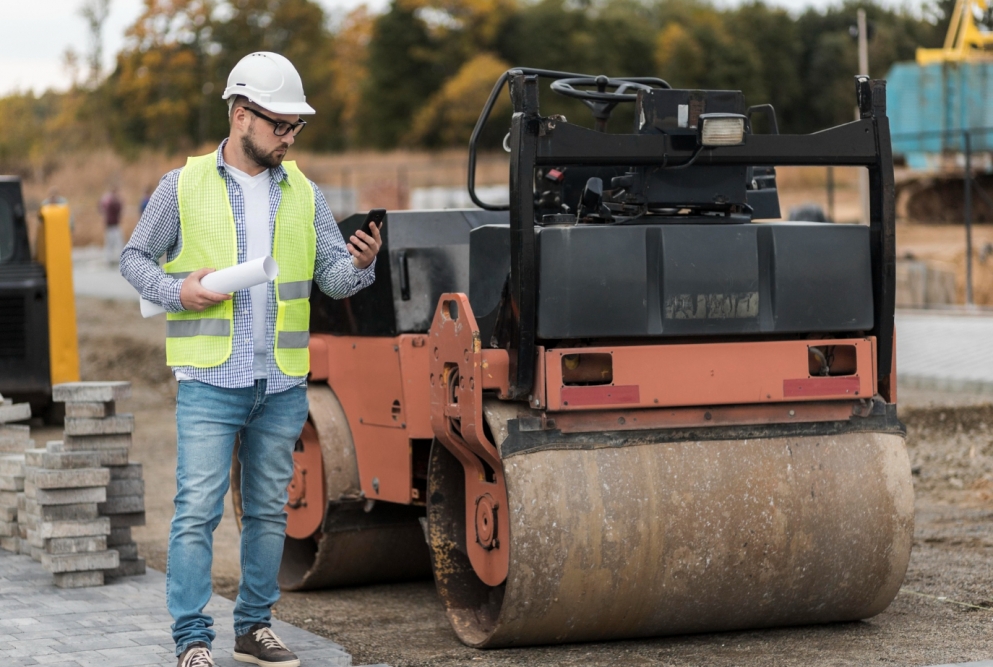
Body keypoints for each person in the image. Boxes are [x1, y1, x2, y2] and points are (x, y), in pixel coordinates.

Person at [120, 52, 382, 667]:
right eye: (280, 125)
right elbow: (134, 260)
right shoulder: (181, 184)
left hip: (282, 382)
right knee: (197, 513)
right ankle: (191, 639)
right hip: (210, 379)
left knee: (268, 511)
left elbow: (333, 281)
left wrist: (362, 265)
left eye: (296, 127)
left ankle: (253, 627)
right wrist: (178, 290)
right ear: (242, 115)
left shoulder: (306, 194)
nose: (290, 137)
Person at [99, 185, 123, 265]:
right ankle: (110, 259)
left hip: (112, 225)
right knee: (114, 243)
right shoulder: (111, 201)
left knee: (113, 243)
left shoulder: (106, 200)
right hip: (112, 225)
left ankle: (110, 259)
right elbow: (118, 208)